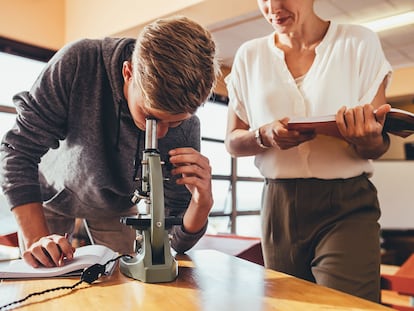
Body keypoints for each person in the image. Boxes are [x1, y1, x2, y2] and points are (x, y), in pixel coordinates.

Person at [0, 16, 220, 269]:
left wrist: (202, 205)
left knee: (122, 287)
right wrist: (37, 239)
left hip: (118, 207)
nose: (161, 134)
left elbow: (175, 241)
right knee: (43, 279)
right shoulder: (79, 61)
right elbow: (18, 151)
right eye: (152, 117)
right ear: (128, 73)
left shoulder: (187, 123)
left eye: (175, 122)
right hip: (50, 195)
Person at [224, 0, 392, 303]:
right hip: (279, 205)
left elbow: (375, 147)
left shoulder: (358, 42)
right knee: (290, 305)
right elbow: (233, 142)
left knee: (345, 306)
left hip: (346, 204)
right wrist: (264, 135)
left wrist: (366, 138)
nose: (273, 6)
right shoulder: (249, 55)